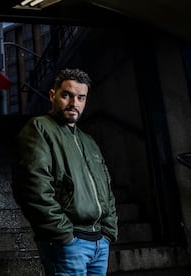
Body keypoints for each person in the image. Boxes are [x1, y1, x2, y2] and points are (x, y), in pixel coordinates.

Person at [11, 68, 118, 276]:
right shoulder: (39, 129)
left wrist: (108, 231)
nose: (74, 103)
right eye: (67, 95)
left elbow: (106, 189)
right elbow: (33, 190)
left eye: (81, 97)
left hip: (99, 243)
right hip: (68, 244)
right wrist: (64, 235)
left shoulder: (88, 141)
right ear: (53, 95)